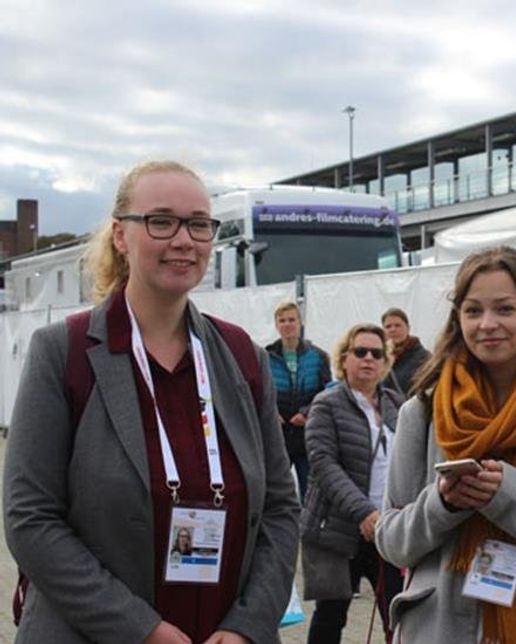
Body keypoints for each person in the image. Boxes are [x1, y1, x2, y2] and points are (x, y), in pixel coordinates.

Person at [3, 160, 299, 644]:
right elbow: (29, 517)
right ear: (121, 235)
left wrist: (249, 625)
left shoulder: (240, 356)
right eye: (161, 221)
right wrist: (140, 630)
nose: (184, 239)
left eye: (199, 224)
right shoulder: (64, 353)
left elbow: (282, 509)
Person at [376, 246, 516, 644]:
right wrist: (444, 504)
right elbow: (391, 541)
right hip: (436, 630)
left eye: (505, 309)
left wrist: (508, 495)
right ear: (458, 317)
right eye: (473, 311)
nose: (488, 324)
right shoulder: (422, 411)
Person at [300, 323, 405, 644]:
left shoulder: (400, 405)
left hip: (388, 530)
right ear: (344, 359)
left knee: (398, 614)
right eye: (360, 351)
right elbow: (324, 465)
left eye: (377, 353)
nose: (368, 359)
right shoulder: (326, 404)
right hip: (339, 531)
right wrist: (363, 513)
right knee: (331, 616)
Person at [266, 300, 332, 501]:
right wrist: (270, 413)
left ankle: (306, 530)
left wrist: (307, 412)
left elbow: (327, 391)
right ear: (276, 325)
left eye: (291, 320)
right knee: (275, 489)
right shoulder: (264, 356)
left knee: (309, 489)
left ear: (300, 323)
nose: (287, 324)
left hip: (307, 434)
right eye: (282, 320)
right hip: (277, 435)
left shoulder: (319, 356)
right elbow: (257, 391)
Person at [381, 307, 430, 396]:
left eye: (397, 325)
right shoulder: (378, 358)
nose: (393, 330)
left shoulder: (424, 359)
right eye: (388, 327)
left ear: (408, 328)